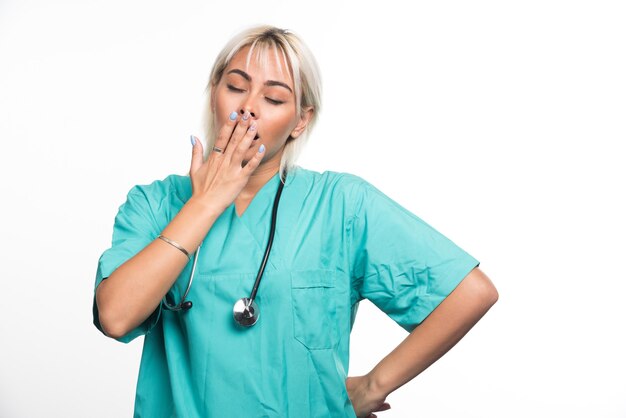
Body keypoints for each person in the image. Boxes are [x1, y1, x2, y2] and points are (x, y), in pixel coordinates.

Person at [93, 25, 499, 418]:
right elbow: (115, 316)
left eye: (273, 98)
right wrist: (207, 202)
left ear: (300, 121)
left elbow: (469, 293)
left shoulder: (341, 205)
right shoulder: (154, 203)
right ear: (214, 93)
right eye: (235, 87)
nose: (247, 106)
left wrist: (373, 385)